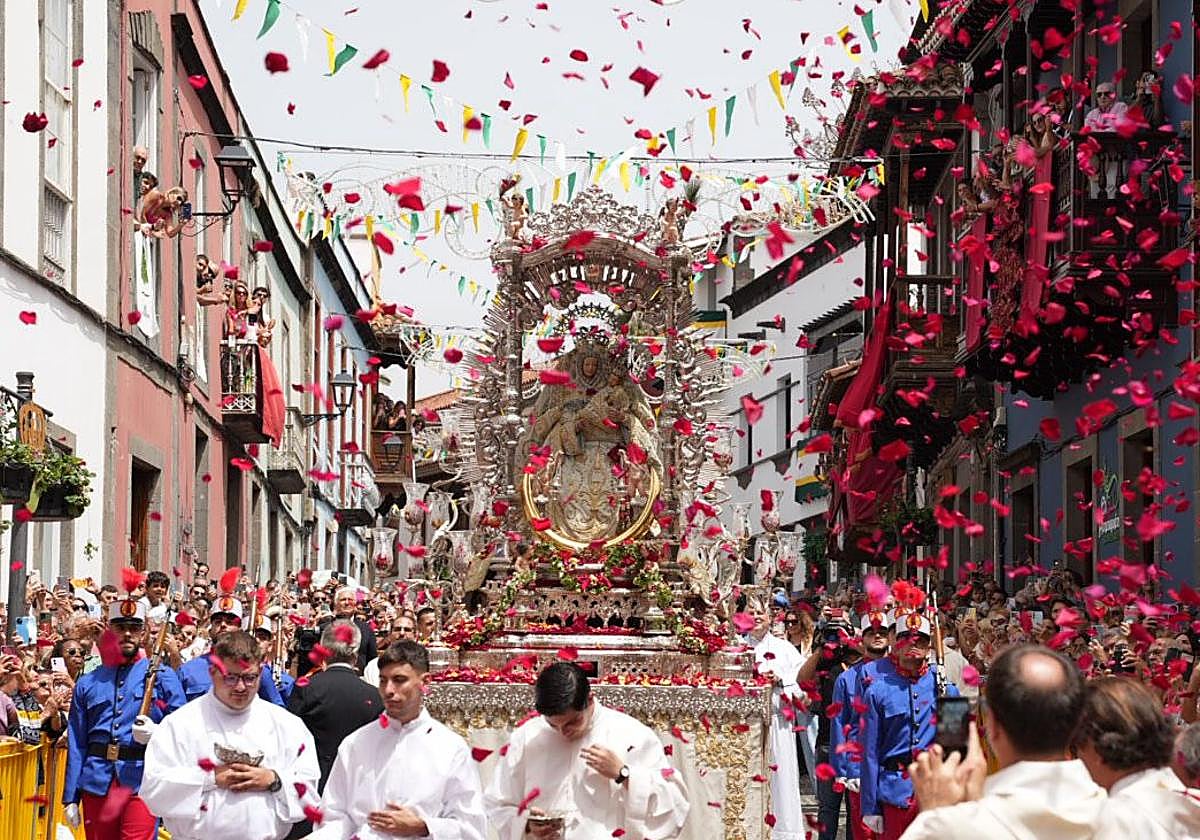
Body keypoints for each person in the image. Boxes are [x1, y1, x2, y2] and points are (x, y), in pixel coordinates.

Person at [900, 645, 1106, 839]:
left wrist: (936, 814)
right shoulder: (1122, 813)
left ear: (992, 725)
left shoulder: (954, 826)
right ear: (1078, 723)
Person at [140, 630, 319, 840]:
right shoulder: (180, 724)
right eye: (230, 677)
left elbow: (309, 792)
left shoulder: (287, 725)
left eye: (249, 678)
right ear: (213, 672)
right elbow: (153, 790)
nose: (241, 687)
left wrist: (274, 780)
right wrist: (210, 778)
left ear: (261, 672)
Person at [485, 661, 689, 840]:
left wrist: (624, 774)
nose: (564, 732)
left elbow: (674, 806)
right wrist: (528, 825)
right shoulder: (527, 737)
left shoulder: (632, 734)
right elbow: (498, 803)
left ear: (590, 699)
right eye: (554, 725)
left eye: (572, 722)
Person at [311, 641, 486, 840]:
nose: (388, 690)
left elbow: (471, 827)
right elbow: (335, 816)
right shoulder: (356, 743)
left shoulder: (450, 748)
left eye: (399, 680)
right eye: (383, 680)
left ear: (424, 682)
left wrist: (423, 826)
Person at [62, 589, 186, 840]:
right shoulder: (88, 682)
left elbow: (184, 729)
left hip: (141, 780)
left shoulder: (161, 677)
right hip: (96, 780)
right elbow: (77, 742)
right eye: (120, 627)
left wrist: (157, 733)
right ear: (110, 631)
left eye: (134, 627)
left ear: (144, 632)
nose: (127, 633)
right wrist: (71, 796)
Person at [860, 610, 957, 840]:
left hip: (935, 793)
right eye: (906, 639)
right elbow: (870, 753)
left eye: (920, 640)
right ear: (895, 644)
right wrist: (870, 806)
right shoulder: (877, 691)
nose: (913, 645)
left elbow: (958, 749)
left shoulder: (947, 689)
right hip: (895, 793)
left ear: (929, 647)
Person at [1072, 677, 1200, 839]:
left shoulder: (1115, 823)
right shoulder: (1186, 799)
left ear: (1094, 745)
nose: (1078, 759)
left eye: (1077, 744)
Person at [286, 621, 382, 793]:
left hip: (316, 783)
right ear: (355, 655)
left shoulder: (307, 687)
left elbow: (291, 735)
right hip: (358, 785)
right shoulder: (374, 695)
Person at [746, 596, 805, 840]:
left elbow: (804, 686)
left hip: (778, 723)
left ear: (771, 618)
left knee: (782, 784)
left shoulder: (785, 649)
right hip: (747, 727)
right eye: (751, 612)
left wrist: (781, 680)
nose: (757, 617)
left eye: (761, 612)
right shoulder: (737, 648)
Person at [831, 610, 893, 840]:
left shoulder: (902, 673)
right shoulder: (846, 679)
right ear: (862, 638)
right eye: (871, 633)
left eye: (882, 632)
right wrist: (842, 769)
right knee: (863, 832)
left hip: (890, 764)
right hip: (858, 764)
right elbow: (839, 723)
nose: (877, 636)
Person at [176, 590, 285, 706]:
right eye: (218, 622)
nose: (223, 625)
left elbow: (276, 711)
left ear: (240, 628)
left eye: (229, 622)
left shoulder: (255, 669)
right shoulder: (188, 670)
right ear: (211, 628)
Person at [361, 611, 416, 686]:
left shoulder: (422, 665)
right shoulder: (374, 666)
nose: (402, 633)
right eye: (397, 629)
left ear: (415, 635)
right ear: (390, 634)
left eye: (407, 630)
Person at [333, 586, 377, 671]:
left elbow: (372, 660)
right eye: (343, 600)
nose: (347, 603)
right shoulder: (326, 628)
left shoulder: (366, 629)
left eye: (350, 599)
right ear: (336, 604)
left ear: (355, 603)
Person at [254, 615, 296, 702]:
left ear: (270, 646)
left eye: (262, 637)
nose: (256, 640)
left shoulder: (286, 682)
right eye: (252, 635)